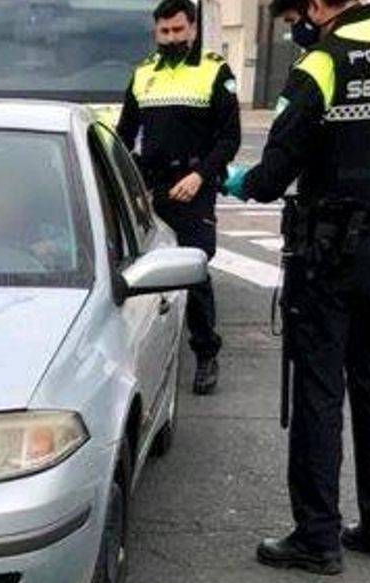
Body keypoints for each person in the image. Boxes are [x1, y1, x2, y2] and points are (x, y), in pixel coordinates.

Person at [223, 0, 370, 574]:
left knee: (320, 391)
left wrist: (239, 182)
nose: (297, 24)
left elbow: (274, 174)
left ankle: (317, 537)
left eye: (298, 13)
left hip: (327, 257)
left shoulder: (324, 64)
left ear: (320, 6)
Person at [115, 0, 240, 395]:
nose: (171, 37)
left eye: (178, 30)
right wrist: (131, 186)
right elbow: (124, 134)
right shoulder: (142, 75)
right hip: (151, 188)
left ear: (192, 29)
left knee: (193, 269)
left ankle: (206, 354)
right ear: (156, 32)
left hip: (193, 186)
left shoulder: (214, 71)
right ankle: (148, 350)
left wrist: (201, 175)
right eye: (164, 31)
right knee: (144, 272)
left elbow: (230, 137)